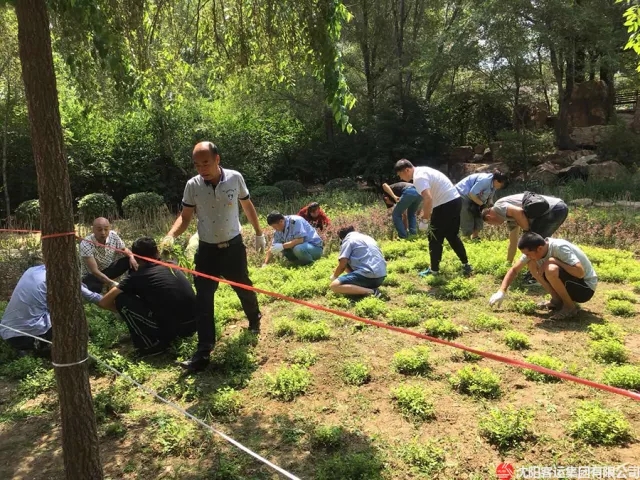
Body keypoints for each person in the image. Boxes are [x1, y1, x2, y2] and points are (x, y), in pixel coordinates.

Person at [160, 141, 266, 373]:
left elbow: (247, 205)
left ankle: (254, 318)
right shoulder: (193, 185)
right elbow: (185, 216)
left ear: (217, 159)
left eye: (206, 163)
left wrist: (259, 233)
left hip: (233, 247)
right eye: (197, 165)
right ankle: (204, 350)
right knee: (204, 299)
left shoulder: (235, 178)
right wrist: (171, 235)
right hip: (207, 250)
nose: (202, 169)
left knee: (243, 286)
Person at [97, 237, 197, 356]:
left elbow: (103, 302)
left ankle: (150, 345)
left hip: (174, 330)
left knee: (121, 300)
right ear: (157, 252)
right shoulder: (171, 265)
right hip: (195, 325)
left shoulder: (137, 276)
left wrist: (123, 312)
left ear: (136, 257)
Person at [0, 262, 103, 356]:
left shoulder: (32, 270)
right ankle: (46, 347)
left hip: (8, 332)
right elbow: (92, 297)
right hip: (28, 336)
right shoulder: (59, 277)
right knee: (69, 313)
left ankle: (27, 348)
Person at [489, 232, 597, 320]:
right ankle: (557, 301)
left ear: (539, 248)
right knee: (531, 263)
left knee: (551, 269)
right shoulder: (534, 250)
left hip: (585, 288)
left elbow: (580, 273)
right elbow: (514, 270)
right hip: (571, 283)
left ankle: (570, 307)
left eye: (528, 254)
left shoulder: (559, 247)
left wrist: (554, 261)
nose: (526, 256)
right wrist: (501, 291)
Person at [394, 159, 472, 276]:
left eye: (400, 174)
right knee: (451, 235)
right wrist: (424, 213)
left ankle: (434, 270)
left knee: (434, 237)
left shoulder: (418, 177)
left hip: (445, 204)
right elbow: (429, 198)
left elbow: (428, 198)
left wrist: (425, 220)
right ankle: (466, 264)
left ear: (407, 170)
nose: (400, 178)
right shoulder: (422, 171)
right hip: (455, 200)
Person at [482, 193, 569, 264]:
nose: (494, 225)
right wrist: (508, 263)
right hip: (559, 208)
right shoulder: (509, 218)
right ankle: (546, 268)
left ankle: (537, 273)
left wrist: (527, 232)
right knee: (540, 243)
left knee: (534, 244)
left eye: (490, 223)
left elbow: (519, 212)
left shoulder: (498, 207)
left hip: (554, 209)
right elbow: (513, 242)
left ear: (489, 217)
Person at [80, 217, 139, 293]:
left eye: (106, 229)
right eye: (99, 230)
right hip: (93, 275)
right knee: (94, 290)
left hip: (109, 268)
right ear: (93, 230)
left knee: (132, 261)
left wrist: (131, 257)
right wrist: (112, 283)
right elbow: (94, 271)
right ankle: (105, 288)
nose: (103, 233)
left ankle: (134, 285)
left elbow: (124, 249)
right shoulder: (86, 243)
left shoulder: (113, 235)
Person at [330, 226, 387, 297]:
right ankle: (366, 288)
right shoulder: (368, 238)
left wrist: (334, 276)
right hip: (381, 277)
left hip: (367, 276)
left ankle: (372, 292)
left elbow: (343, 264)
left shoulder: (348, 240)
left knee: (334, 286)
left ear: (342, 238)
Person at [455, 170, 508, 240]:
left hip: (475, 197)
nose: (501, 187)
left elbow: (489, 198)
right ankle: (467, 238)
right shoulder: (484, 180)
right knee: (467, 214)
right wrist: (482, 205)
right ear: (496, 181)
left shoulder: (494, 185)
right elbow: (472, 194)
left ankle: (475, 237)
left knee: (479, 214)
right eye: (502, 185)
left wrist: (490, 207)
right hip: (462, 194)